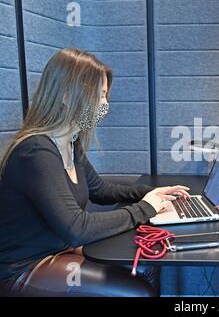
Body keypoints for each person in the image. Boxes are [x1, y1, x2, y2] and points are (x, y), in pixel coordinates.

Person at [0, 48, 191, 297]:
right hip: (24, 267)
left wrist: (152, 194)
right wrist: (145, 208)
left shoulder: (69, 142)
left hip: (59, 250)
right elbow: (77, 228)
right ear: (68, 95)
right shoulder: (36, 151)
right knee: (140, 292)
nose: (105, 104)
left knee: (148, 265)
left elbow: (99, 190)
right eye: (99, 96)